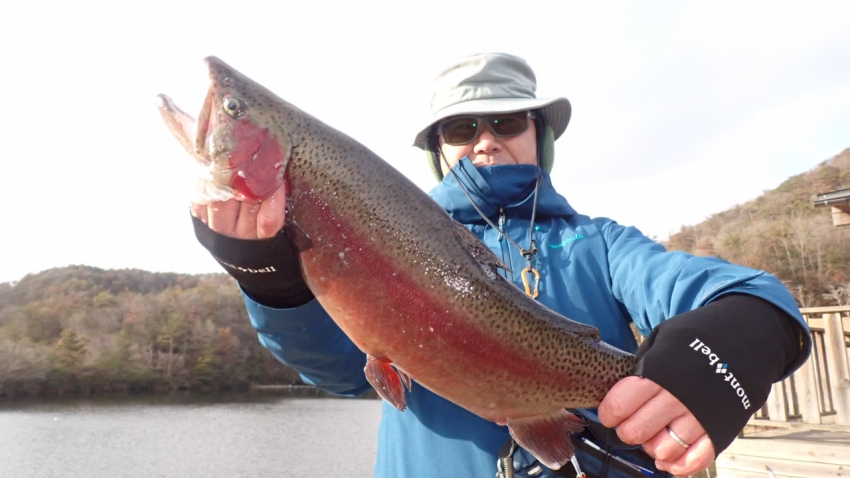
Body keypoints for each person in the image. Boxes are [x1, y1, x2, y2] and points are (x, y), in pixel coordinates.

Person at [189, 53, 811, 478]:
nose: (485, 139)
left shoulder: (600, 243)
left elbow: (752, 295)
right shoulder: (376, 237)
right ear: (439, 148)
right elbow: (341, 372)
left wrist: (739, 337)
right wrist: (268, 279)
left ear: (541, 135)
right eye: (462, 127)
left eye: (507, 121)